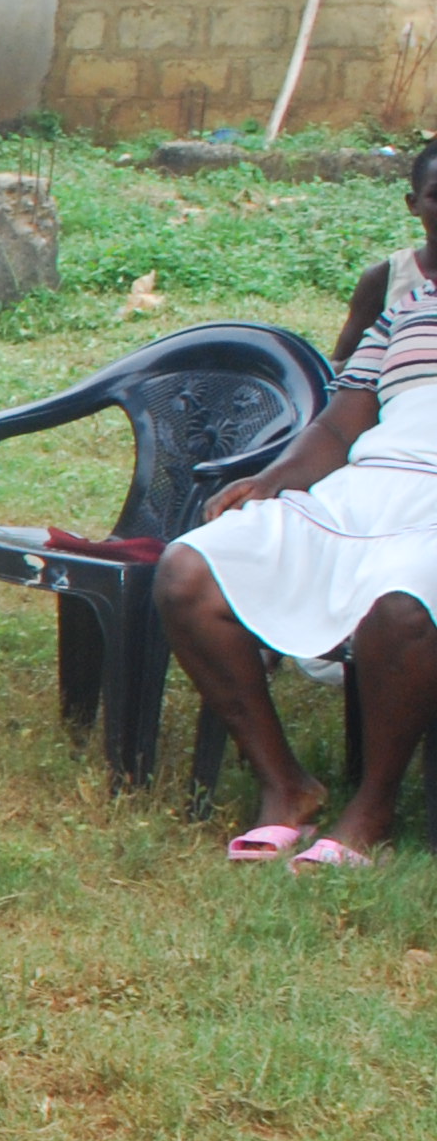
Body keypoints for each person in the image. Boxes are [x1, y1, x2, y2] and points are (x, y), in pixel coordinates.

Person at [161, 136, 437, 870]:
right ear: (417, 207)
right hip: (368, 485)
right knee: (189, 572)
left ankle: (372, 807)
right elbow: (341, 425)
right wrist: (273, 479)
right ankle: (285, 784)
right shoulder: (407, 310)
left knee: (405, 603)